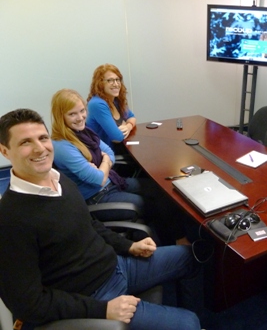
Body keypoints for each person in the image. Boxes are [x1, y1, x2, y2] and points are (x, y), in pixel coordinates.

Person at [0, 108, 203, 330]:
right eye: (25, 142)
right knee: (188, 324)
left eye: (43, 138)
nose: (40, 148)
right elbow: (28, 304)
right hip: (94, 295)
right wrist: (102, 309)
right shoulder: (10, 219)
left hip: (116, 265)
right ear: (5, 151)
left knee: (190, 256)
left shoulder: (59, 180)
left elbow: (91, 224)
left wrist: (129, 246)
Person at [51, 88, 190, 245]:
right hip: (97, 197)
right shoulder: (62, 145)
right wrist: (103, 163)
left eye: (82, 111)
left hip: (112, 182)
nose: (80, 117)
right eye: (72, 114)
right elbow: (97, 179)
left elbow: (109, 152)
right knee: (153, 205)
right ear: (60, 116)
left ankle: (179, 238)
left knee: (162, 190)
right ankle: (169, 247)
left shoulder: (84, 132)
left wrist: (102, 164)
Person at [86, 63, 135, 155]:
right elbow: (117, 137)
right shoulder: (97, 104)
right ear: (100, 83)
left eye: (117, 80)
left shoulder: (114, 100)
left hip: (120, 150)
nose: (116, 84)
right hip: (105, 157)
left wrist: (128, 126)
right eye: (110, 80)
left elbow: (132, 117)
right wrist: (124, 125)